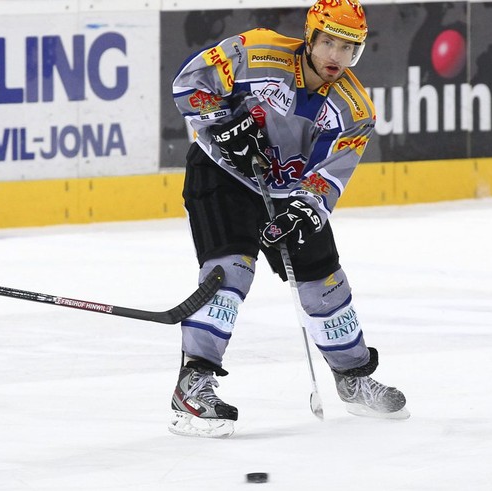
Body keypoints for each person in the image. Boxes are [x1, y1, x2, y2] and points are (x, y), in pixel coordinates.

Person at [168, 0, 408, 437]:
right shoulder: (257, 53)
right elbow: (190, 84)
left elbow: (328, 177)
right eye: (328, 42)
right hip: (221, 175)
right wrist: (224, 123)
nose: (336, 56)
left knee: (326, 284)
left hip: (285, 193)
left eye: (347, 47)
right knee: (230, 272)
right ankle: (194, 382)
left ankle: (353, 378)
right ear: (311, 36)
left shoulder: (355, 111)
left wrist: (303, 210)